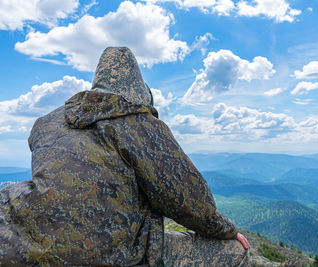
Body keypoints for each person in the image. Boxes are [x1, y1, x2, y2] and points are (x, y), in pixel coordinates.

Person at [0, 47, 250, 266]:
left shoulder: (46, 124)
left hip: (28, 252)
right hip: (114, 255)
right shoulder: (141, 124)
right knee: (236, 253)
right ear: (139, 90)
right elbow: (189, 202)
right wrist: (226, 230)